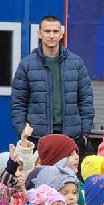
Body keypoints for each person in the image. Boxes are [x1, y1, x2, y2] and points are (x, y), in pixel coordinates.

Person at [9, 14, 95, 142]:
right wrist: (23, 133)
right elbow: (18, 102)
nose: (51, 35)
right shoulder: (26, 65)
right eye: (47, 31)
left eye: (55, 31)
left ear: (61, 34)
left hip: (71, 137)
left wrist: (85, 133)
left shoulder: (77, 63)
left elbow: (86, 100)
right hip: (37, 137)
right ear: (39, 34)